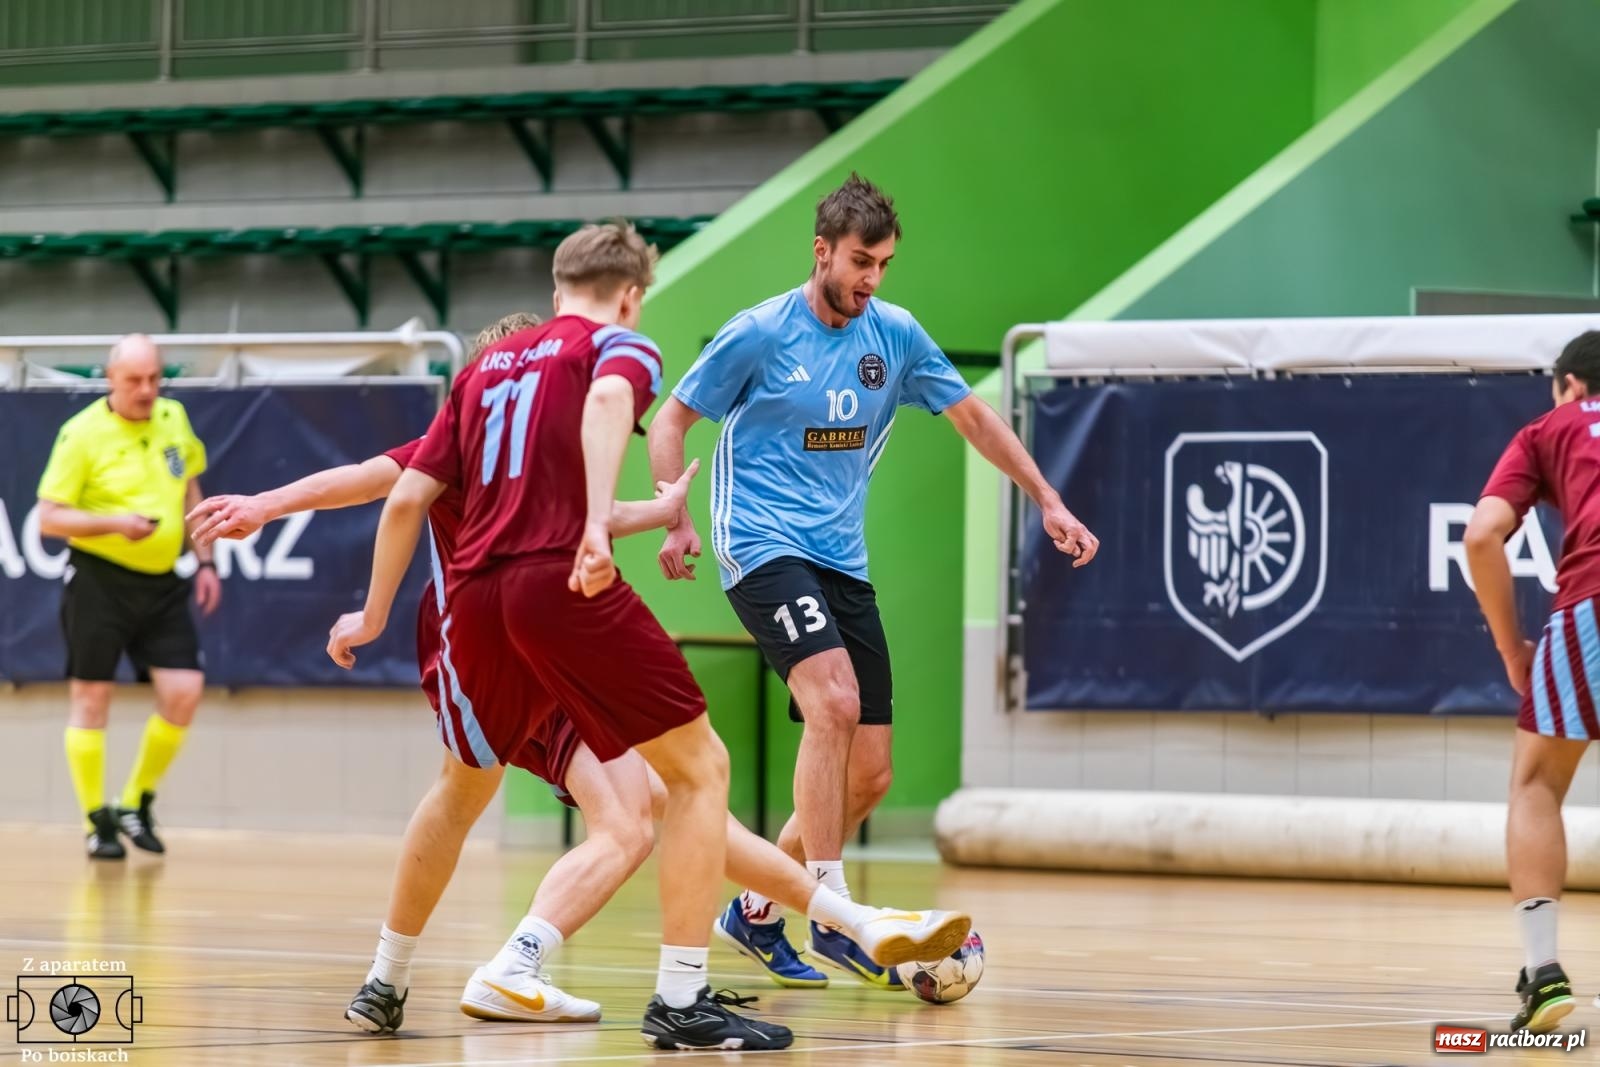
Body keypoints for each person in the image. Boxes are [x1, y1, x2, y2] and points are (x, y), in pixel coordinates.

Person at [192, 315, 968, 1030]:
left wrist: (660, 508)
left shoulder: (547, 447)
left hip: (547, 637)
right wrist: (268, 506)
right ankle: (422, 972)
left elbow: (583, 521)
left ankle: (846, 918)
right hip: (494, 635)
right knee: (526, 796)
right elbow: (378, 483)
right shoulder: (473, 423)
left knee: (668, 802)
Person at [649, 174, 1098, 988]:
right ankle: (834, 908)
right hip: (760, 543)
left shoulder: (893, 336)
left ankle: (753, 913)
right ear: (822, 251)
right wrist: (675, 515)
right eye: (861, 260)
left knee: (871, 770)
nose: (872, 278)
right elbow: (675, 417)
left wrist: (1048, 499)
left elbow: (975, 419)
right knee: (835, 703)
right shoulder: (759, 334)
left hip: (840, 558)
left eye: (884, 263)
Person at [36, 334, 221, 860]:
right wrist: (115, 524)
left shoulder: (174, 418)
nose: (145, 390)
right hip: (100, 580)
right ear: (110, 378)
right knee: (92, 698)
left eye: (154, 379)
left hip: (163, 581)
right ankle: (97, 820)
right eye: (134, 380)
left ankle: (136, 800)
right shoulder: (82, 434)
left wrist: (205, 559)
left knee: (184, 690)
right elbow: (49, 517)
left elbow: (191, 490)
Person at [1464, 330, 1600, 1033]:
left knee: (1537, 783)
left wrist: (1512, 648)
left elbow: (1483, 535)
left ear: (1571, 386)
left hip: (1592, 601)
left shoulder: (1549, 428)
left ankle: (1544, 975)